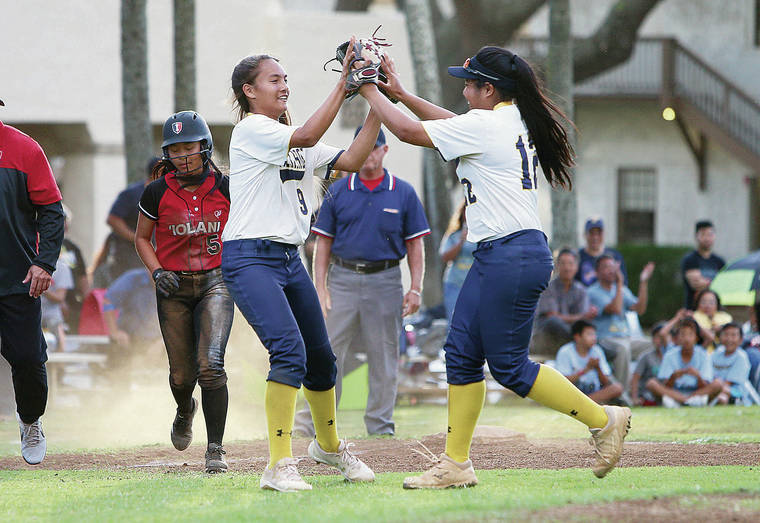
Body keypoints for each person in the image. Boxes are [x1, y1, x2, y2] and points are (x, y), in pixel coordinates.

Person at [357, 45, 632, 488]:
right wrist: (401, 93)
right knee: (461, 356)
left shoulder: (487, 124)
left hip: (511, 254)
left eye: (469, 84)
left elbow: (409, 133)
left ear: (490, 89)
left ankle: (603, 420)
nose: (463, 90)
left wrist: (368, 89)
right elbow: (446, 123)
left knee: (509, 368)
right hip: (502, 254)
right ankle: (456, 464)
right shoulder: (507, 116)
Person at [221, 48, 378, 492]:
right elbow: (309, 136)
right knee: (289, 353)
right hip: (249, 256)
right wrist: (344, 84)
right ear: (249, 92)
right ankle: (277, 465)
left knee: (323, 360)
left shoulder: (288, 135)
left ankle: (328, 447)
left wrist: (380, 106)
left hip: (290, 259)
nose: (283, 84)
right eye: (273, 80)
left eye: (285, 77)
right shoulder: (252, 130)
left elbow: (349, 161)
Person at [294, 126, 430, 437]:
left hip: (385, 279)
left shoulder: (403, 191)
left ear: (384, 150)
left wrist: (416, 288)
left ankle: (380, 427)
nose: (368, 155)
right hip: (342, 279)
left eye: (374, 148)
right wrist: (321, 286)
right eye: (362, 148)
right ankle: (313, 423)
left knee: (383, 354)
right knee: (326, 352)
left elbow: (415, 245)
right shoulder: (339, 190)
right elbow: (323, 243)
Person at [134, 111, 235, 474]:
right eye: (174, 149)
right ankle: (184, 408)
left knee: (210, 364)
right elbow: (142, 239)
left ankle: (215, 449)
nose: (183, 155)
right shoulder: (157, 190)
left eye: (189, 146)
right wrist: (157, 270)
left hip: (216, 281)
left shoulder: (226, 186)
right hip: (173, 286)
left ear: (205, 146)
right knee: (181, 375)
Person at [0, 102, 65, 464]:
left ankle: (30, 421)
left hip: (18, 280)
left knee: (27, 358)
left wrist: (44, 263)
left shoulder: (24, 148)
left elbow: (52, 210)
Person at [587, 254, 655, 388]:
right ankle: (622, 394)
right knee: (623, 349)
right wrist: (619, 283)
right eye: (606, 267)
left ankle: (645, 389)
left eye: (613, 267)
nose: (611, 270)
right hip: (605, 339)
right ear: (597, 272)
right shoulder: (593, 292)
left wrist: (643, 282)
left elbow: (640, 309)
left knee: (654, 345)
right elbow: (615, 309)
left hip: (627, 338)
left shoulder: (622, 290)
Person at [104, 156, 161, 284]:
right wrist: (137, 238)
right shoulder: (132, 193)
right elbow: (113, 219)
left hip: (154, 256)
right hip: (128, 255)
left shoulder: (166, 194)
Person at [531, 248, 597, 356]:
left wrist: (581, 318)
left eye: (570, 264)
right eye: (563, 264)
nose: (567, 268)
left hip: (570, 337)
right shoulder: (548, 288)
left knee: (587, 327)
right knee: (553, 322)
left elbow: (583, 321)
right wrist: (581, 316)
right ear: (557, 266)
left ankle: (584, 342)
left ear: (576, 267)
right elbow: (552, 316)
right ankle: (584, 342)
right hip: (547, 337)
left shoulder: (581, 290)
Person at [646, 317, 720, 408]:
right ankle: (685, 401)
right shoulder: (670, 355)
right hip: (674, 393)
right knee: (651, 383)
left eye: (690, 335)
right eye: (683, 335)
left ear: (696, 338)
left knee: (718, 384)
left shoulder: (703, 355)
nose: (686, 339)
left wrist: (698, 377)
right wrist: (673, 377)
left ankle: (688, 400)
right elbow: (666, 385)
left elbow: (705, 385)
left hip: (697, 393)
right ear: (677, 338)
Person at [555, 321, 623, 404]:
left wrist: (598, 368)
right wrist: (586, 370)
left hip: (594, 393)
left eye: (594, 334)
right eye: (589, 334)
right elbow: (563, 381)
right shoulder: (565, 351)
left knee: (617, 388)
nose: (594, 338)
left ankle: (582, 403)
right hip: (573, 393)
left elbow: (605, 382)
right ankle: (584, 403)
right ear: (577, 337)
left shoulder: (597, 350)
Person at [630, 313, 682, 406]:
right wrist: (635, 398)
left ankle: (677, 399)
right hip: (650, 394)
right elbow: (635, 378)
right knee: (652, 383)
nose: (660, 340)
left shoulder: (673, 354)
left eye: (662, 337)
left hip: (670, 390)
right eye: (656, 337)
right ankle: (683, 400)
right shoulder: (646, 356)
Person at [102, 267, 161, 350]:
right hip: (129, 338)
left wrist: (162, 341)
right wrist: (114, 332)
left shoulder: (174, 283)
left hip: (157, 341)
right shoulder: (133, 278)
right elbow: (108, 301)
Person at [439, 201, 477, 321]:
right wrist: (461, 241)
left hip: (476, 285)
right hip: (455, 284)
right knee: (455, 322)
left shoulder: (483, 235)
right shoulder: (453, 236)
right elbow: (446, 257)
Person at [681, 220, 725, 309]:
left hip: (716, 310)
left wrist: (707, 282)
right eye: (703, 235)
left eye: (710, 234)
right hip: (694, 309)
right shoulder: (690, 260)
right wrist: (716, 283)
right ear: (697, 236)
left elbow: (725, 284)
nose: (707, 238)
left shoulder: (720, 261)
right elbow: (696, 284)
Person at [59, 205, 89, 333]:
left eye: (65, 220)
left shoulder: (73, 248)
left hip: (72, 298)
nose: (63, 224)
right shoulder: (40, 244)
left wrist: (88, 302)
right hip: (52, 299)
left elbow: (82, 276)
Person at [575, 218, 628, 287]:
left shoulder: (615, 256)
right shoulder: (577, 256)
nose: (595, 237)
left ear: (604, 234)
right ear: (585, 235)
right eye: (591, 233)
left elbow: (623, 284)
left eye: (599, 233)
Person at [711, 323, 751, 405]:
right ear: (720, 337)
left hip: (736, 392)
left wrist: (711, 387)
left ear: (740, 340)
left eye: (733, 335)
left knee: (722, 398)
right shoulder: (716, 354)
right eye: (726, 335)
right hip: (715, 388)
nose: (729, 339)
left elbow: (729, 383)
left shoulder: (741, 357)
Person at [40, 257, 74, 352]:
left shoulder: (61, 267)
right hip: (30, 312)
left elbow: (60, 297)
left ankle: (60, 362)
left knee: (57, 327)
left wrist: (40, 286)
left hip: (52, 314)